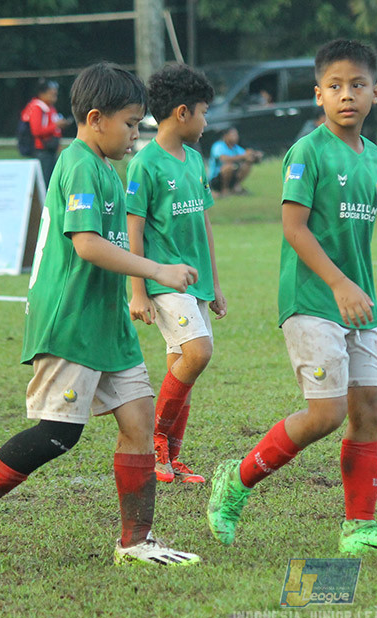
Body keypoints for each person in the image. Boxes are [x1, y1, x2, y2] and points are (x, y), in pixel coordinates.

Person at [0, 62, 202, 571]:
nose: (135, 134)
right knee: (58, 433)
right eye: (129, 123)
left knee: (140, 418)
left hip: (107, 322)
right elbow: (87, 245)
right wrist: (156, 272)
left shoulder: (105, 168)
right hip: (71, 321)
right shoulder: (78, 162)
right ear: (95, 118)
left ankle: (135, 542)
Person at [206, 39, 377, 554]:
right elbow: (295, 229)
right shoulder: (306, 152)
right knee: (325, 416)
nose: (346, 95)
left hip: (356, 303)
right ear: (318, 96)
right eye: (334, 86)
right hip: (312, 300)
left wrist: (356, 289)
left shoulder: (371, 158)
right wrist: (339, 283)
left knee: (368, 409)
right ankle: (234, 482)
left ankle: (360, 528)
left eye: (356, 85)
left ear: (375, 93)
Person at [126, 64, 225, 485]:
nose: (207, 122)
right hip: (163, 282)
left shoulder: (196, 160)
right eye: (203, 112)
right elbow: (134, 229)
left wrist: (215, 284)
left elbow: (203, 224)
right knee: (198, 353)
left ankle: (170, 459)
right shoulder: (145, 164)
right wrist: (138, 292)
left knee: (180, 366)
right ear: (182, 113)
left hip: (195, 282)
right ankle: (156, 445)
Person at [22, 79, 72, 186]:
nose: (55, 96)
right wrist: (56, 125)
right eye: (52, 93)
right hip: (42, 151)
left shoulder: (50, 107)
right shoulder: (37, 107)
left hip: (51, 150)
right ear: (42, 93)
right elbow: (36, 131)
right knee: (45, 182)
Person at [207, 127, 263, 196]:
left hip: (231, 176)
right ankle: (224, 190)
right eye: (233, 135)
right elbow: (224, 159)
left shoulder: (235, 147)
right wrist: (244, 156)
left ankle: (235, 188)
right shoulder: (218, 146)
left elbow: (246, 156)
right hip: (216, 179)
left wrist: (255, 155)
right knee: (229, 166)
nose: (236, 137)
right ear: (226, 136)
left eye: (236, 135)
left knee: (247, 164)